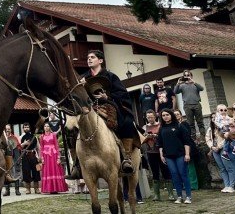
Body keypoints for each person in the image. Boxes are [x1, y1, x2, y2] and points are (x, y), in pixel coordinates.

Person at [68, 50, 135, 179]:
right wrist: (79, 87)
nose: (89, 59)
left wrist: (107, 96)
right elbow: (74, 95)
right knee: (71, 128)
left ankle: (126, 158)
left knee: (127, 123)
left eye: (92, 57)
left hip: (109, 106)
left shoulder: (110, 76)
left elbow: (123, 94)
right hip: (88, 109)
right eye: (88, 57)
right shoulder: (83, 77)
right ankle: (76, 164)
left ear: (100, 60)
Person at [157, 108, 192, 204]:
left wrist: (187, 154)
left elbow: (186, 141)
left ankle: (188, 196)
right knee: (174, 176)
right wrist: (161, 155)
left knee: (183, 174)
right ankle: (179, 196)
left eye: (167, 115)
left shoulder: (179, 126)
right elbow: (160, 144)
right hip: (168, 156)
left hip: (180, 155)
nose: (165, 117)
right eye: (163, 115)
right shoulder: (161, 128)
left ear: (171, 115)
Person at [142, 109, 173, 201]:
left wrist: (156, 136)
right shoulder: (145, 127)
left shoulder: (160, 125)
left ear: (155, 117)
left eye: (151, 117)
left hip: (161, 152)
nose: (150, 119)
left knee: (165, 171)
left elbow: (164, 137)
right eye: (148, 117)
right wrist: (146, 137)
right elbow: (141, 140)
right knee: (154, 173)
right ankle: (156, 195)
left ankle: (170, 194)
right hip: (150, 152)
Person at [205, 107, 235, 193]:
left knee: (229, 167)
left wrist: (219, 146)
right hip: (214, 150)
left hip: (223, 149)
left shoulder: (224, 126)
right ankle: (226, 185)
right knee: (222, 168)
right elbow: (208, 138)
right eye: (212, 118)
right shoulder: (210, 129)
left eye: (216, 117)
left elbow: (226, 138)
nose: (214, 119)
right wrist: (212, 147)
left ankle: (232, 186)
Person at [174, 70, 205, 139]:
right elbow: (175, 92)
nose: (187, 77)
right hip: (187, 105)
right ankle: (194, 139)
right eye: (185, 75)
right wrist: (178, 83)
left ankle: (203, 138)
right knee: (191, 124)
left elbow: (202, 88)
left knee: (200, 122)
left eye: (188, 75)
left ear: (191, 76)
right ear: (184, 76)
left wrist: (194, 82)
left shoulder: (195, 84)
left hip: (197, 104)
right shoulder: (182, 85)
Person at [39, 123, 67, 194]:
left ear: (50, 127)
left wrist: (58, 157)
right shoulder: (41, 136)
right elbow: (41, 148)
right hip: (46, 156)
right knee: (47, 171)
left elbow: (57, 146)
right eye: (45, 126)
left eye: (48, 126)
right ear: (43, 128)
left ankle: (56, 188)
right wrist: (41, 158)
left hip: (53, 155)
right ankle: (49, 189)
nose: (46, 127)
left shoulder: (53, 135)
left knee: (55, 170)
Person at [19, 123, 40, 194]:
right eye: (25, 127)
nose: (26, 128)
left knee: (36, 171)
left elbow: (38, 147)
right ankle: (28, 189)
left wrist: (39, 156)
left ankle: (36, 188)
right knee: (26, 172)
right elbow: (18, 147)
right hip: (25, 155)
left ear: (29, 128)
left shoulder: (34, 136)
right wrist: (24, 144)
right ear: (23, 128)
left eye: (27, 127)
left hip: (33, 155)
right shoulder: (21, 137)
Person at [2, 125, 22, 196]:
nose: (7, 130)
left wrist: (17, 160)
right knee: (6, 172)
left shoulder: (15, 138)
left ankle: (17, 190)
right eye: (6, 129)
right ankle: (7, 191)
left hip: (14, 156)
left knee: (16, 171)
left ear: (11, 130)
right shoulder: (3, 138)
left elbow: (18, 147)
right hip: (5, 158)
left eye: (9, 129)